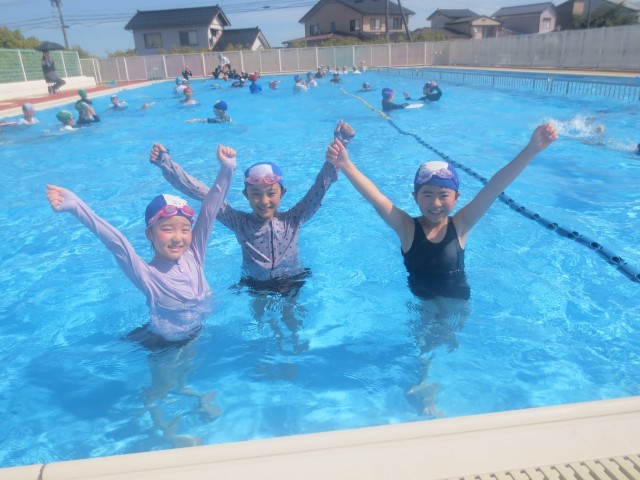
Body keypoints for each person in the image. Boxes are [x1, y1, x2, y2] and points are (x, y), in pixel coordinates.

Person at [149, 121, 355, 354]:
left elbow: (321, 185)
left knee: (291, 321)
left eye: (271, 193)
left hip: (291, 279)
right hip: (256, 284)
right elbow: (204, 193)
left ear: (282, 193)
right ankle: (265, 354)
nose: (264, 201)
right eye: (255, 194)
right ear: (246, 195)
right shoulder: (239, 222)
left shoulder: (294, 218)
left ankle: (294, 351)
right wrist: (166, 163)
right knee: (261, 324)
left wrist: (341, 142)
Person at [324, 122, 558, 302]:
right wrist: (346, 165)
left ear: (456, 197)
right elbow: (376, 198)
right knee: (425, 347)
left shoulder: (461, 225)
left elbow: (494, 187)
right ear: (415, 197)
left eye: (444, 195)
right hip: (422, 303)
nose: (436, 203)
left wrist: (530, 150)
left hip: (457, 301)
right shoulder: (407, 228)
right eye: (427, 194)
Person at [45, 144, 236, 346]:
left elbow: (210, 209)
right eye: (168, 229)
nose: (178, 237)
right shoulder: (148, 276)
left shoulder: (194, 254)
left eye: (185, 229)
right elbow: (115, 242)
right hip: (168, 345)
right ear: (149, 234)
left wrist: (227, 168)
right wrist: (76, 206)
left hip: (199, 329)